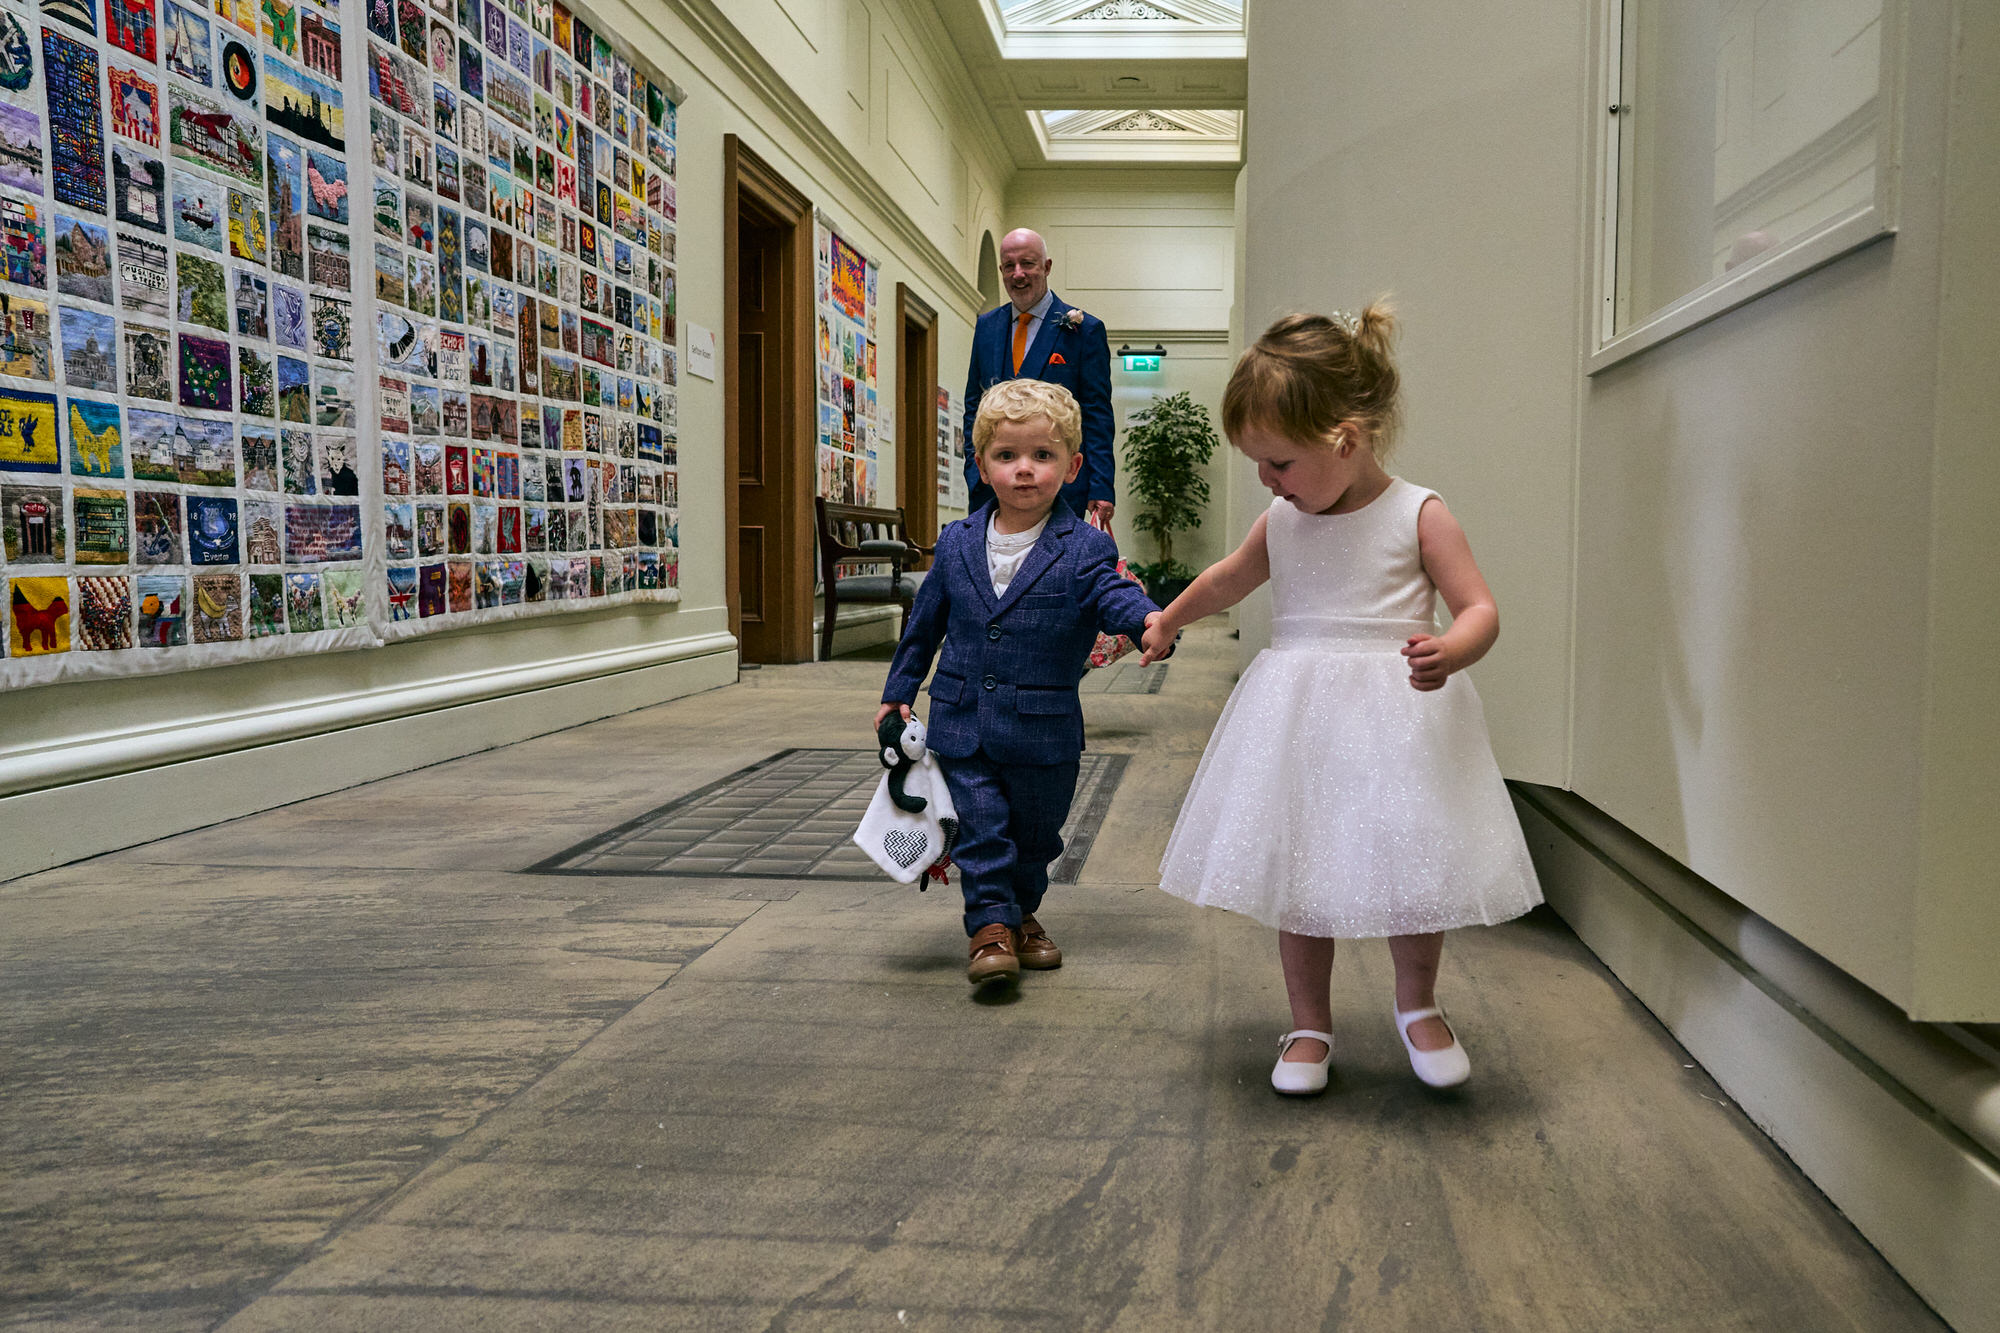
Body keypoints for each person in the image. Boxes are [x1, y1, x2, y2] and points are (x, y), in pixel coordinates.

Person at [1139, 306, 1542, 1094]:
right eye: (1259, 464)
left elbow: (1480, 609)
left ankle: (1418, 1003)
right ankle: (1309, 1023)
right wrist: (1170, 617)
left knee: (1412, 864)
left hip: (1398, 717)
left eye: (1279, 462)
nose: (1268, 480)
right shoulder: (1282, 521)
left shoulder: (1418, 513)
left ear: (1346, 440)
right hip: (1300, 719)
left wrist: (1450, 650)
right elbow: (1229, 576)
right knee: (1302, 870)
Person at [880, 379, 1165, 985]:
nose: (1024, 471)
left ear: (1073, 465)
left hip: (1044, 730)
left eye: (1043, 456)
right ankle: (989, 927)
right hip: (962, 721)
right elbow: (924, 625)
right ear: (981, 464)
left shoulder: (1086, 547)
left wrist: (1148, 623)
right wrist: (897, 692)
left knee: (1035, 837)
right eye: (1007, 456)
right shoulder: (956, 542)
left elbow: (1114, 595)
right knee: (982, 828)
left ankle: (1022, 912)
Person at [962, 229, 1115, 525]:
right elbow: (974, 406)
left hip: (1061, 489)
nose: (1018, 274)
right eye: (1009, 266)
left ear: (1047, 267)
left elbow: (1097, 415)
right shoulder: (986, 327)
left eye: (1028, 264)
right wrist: (974, 471)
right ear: (1002, 271)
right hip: (992, 489)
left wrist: (1101, 486)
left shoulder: (1085, 330)